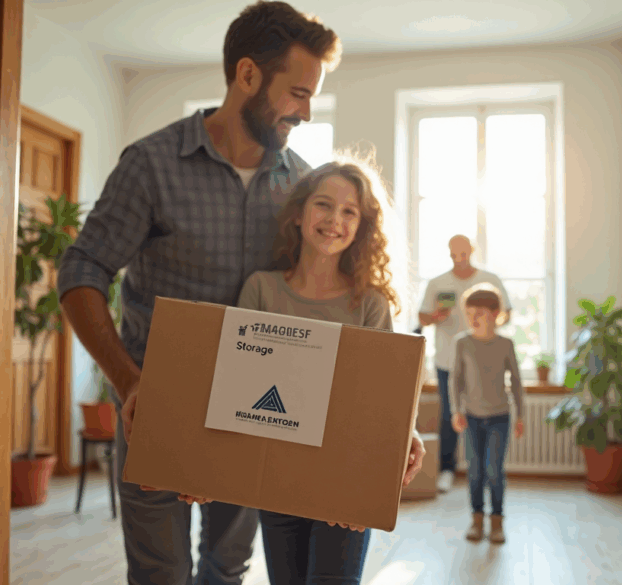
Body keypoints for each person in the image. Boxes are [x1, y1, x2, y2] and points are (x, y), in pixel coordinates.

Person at [58, 3, 423, 583]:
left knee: (228, 567)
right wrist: (129, 380)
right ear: (247, 75)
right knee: (161, 574)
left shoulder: (302, 184)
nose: (305, 112)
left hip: (257, 417)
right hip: (158, 409)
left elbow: (333, 310)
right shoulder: (152, 165)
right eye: (298, 93)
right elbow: (81, 270)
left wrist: (388, 428)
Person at [179, 158, 424, 584]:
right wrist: (207, 468)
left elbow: (383, 401)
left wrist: (408, 433)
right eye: (324, 205)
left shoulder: (370, 303)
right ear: (298, 213)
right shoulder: (261, 288)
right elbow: (235, 390)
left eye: (349, 211)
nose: (334, 220)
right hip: (276, 483)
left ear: (362, 225)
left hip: (344, 488)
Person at [417, 235, 511, 493]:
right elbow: (422, 317)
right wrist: (436, 316)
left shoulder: (490, 281)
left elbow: (506, 313)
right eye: (453, 253)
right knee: (450, 414)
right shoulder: (438, 283)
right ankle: (447, 469)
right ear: (449, 253)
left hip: (485, 363)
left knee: (485, 414)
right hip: (449, 361)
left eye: (463, 252)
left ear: (471, 251)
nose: (459, 257)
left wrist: (487, 326)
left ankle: (483, 469)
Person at [449, 286, 526, 544]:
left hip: (500, 418)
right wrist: (456, 411)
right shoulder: (462, 342)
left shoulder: (505, 344)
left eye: (479, 313)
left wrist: (521, 416)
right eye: (469, 313)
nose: (473, 318)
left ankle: (497, 522)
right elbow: (455, 380)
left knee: (494, 470)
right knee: (474, 471)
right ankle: (477, 519)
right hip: (471, 417)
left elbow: (516, 382)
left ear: (495, 314)